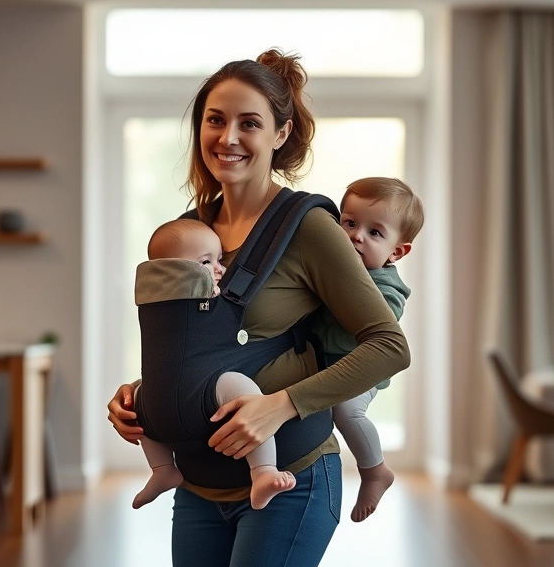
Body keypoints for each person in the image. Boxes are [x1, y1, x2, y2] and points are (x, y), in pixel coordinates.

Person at [106, 49, 410, 567]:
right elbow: (184, 344)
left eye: (249, 123)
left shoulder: (310, 227)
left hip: (293, 478)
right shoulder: (189, 232)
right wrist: (138, 396)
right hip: (199, 485)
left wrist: (281, 404)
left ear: (280, 134)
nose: (227, 138)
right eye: (215, 120)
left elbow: (389, 346)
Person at [131, 218, 296, 511]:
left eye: (219, 259)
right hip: (202, 393)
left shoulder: (148, 300)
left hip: (155, 407)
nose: (220, 269)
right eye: (206, 262)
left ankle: (161, 469)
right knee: (242, 389)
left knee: (138, 399)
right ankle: (263, 469)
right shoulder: (197, 293)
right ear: (170, 270)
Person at [317, 176, 423, 522]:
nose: (356, 235)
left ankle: (375, 471)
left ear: (397, 251)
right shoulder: (332, 268)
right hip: (325, 366)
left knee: (346, 411)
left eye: (375, 232)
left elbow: (380, 320)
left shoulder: (386, 286)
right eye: (349, 223)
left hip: (361, 373)